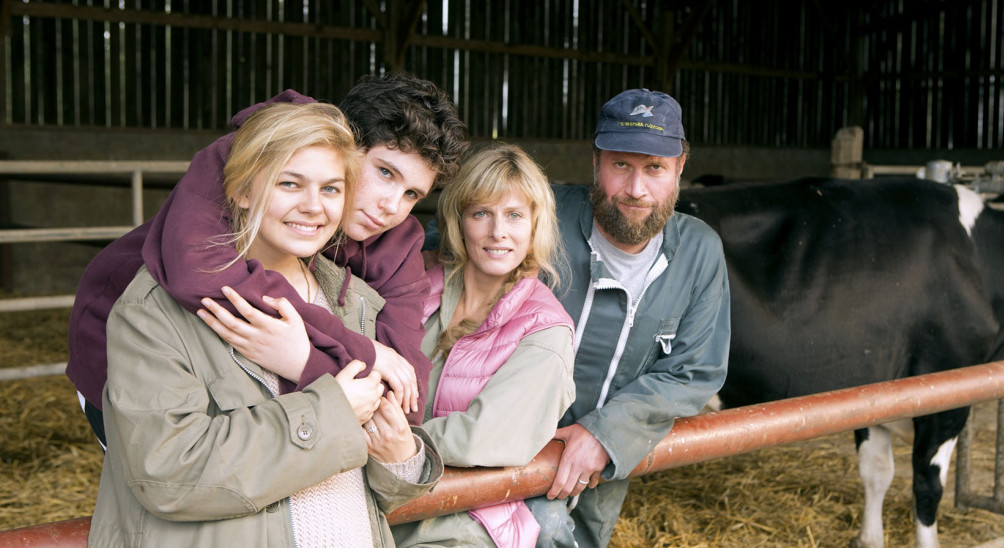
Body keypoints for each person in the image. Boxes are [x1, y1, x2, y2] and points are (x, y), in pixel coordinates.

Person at [89, 102, 443, 548]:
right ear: (241, 189)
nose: (313, 206)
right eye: (289, 183)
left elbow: (385, 465)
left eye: (332, 189)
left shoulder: (356, 301)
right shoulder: (155, 310)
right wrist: (330, 410)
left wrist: (402, 461)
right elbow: (167, 473)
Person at [67, 72, 469, 446]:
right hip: (127, 353)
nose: (391, 207)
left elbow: (406, 385)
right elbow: (201, 276)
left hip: (250, 384)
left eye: (413, 195)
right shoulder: (258, 156)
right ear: (344, 141)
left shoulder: (397, 242)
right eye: (385, 173)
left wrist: (306, 363)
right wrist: (361, 353)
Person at [523, 89, 732, 547]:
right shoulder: (537, 216)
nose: (636, 189)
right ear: (595, 162)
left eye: (654, 168)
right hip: (508, 450)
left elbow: (694, 372)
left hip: (604, 468)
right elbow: (447, 258)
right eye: (621, 165)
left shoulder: (698, 253)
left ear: (679, 169)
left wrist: (604, 434)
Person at [391, 144, 575, 548]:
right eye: (481, 214)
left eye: (514, 215)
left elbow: (484, 438)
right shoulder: (415, 283)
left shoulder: (545, 330)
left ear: (534, 225)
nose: (498, 232)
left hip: (467, 520)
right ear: (460, 221)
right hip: (387, 496)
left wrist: (380, 438)